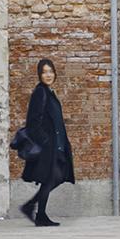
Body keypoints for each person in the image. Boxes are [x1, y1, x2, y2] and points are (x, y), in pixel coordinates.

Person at [19, 58, 75, 227]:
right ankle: (39, 214)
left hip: (57, 144)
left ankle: (33, 208)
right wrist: (46, 141)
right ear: (39, 75)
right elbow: (33, 122)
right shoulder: (40, 93)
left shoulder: (49, 92)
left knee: (57, 177)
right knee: (52, 178)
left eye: (51, 71)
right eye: (44, 72)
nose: (48, 75)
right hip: (48, 146)